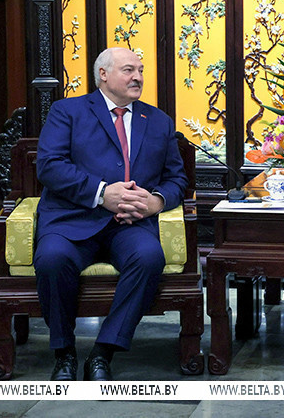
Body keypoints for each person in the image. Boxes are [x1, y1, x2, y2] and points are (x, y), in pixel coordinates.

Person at [34, 47, 187, 381]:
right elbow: (49, 166)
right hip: (72, 221)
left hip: (130, 225)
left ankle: (103, 352)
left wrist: (155, 202)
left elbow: (176, 179)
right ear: (103, 74)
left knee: (149, 257)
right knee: (51, 259)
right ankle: (64, 352)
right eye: (129, 70)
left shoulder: (158, 121)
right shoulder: (67, 111)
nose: (138, 77)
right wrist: (102, 193)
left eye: (141, 70)